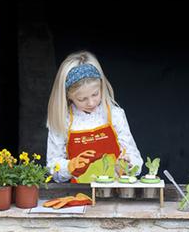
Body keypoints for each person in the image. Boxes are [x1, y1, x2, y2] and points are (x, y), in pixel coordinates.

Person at [46, 50, 143, 183]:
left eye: (95, 94)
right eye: (82, 99)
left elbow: (135, 159)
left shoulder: (115, 114)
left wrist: (128, 163)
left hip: (114, 192)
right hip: (79, 195)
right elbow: (53, 168)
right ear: (68, 96)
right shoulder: (63, 120)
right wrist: (70, 166)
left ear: (102, 87)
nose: (91, 103)